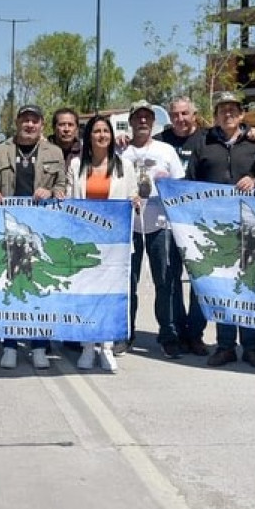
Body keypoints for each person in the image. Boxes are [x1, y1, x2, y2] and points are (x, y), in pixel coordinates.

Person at [187, 92, 255, 368]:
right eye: (223, 110)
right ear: (216, 115)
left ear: (242, 115)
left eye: (233, 110)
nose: (228, 114)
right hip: (216, 229)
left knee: (248, 287)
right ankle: (224, 346)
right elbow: (191, 184)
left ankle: (251, 346)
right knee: (222, 286)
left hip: (250, 228)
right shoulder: (203, 142)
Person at [0, 104, 67, 369]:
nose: (29, 125)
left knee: (39, 286)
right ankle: (9, 344)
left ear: (42, 125)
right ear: (17, 123)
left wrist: (52, 193)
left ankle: (39, 345)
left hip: (42, 230)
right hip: (9, 229)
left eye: (35, 121)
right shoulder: (0, 151)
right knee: (12, 285)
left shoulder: (54, 152)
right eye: (25, 120)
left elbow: (62, 186)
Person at [68, 114, 139, 372]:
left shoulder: (125, 166)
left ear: (111, 136)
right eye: (96, 131)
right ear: (89, 137)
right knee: (86, 294)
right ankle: (88, 346)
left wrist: (135, 203)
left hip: (114, 244)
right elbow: (68, 201)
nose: (101, 135)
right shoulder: (76, 165)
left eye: (105, 131)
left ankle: (107, 347)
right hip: (85, 242)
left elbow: (132, 196)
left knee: (110, 295)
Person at [119, 101, 185, 359]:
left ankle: (167, 335)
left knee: (165, 282)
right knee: (127, 283)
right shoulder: (121, 152)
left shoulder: (166, 150)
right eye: (138, 118)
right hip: (130, 227)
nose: (143, 122)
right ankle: (125, 334)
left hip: (160, 226)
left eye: (147, 117)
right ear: (132, 122)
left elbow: (179, 186)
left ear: (154, 122)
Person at [154, 96, 207, 355]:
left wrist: (249, 130)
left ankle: (195, 334)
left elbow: (235, 136)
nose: (180, 119)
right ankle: (173, 332)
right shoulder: (161, 141)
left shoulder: (208, 139)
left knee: (199, 280)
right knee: (169, 279)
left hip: (199, 223)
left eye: (185, 113)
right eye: (175, 114)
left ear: (194, 114)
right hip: (166, 223)